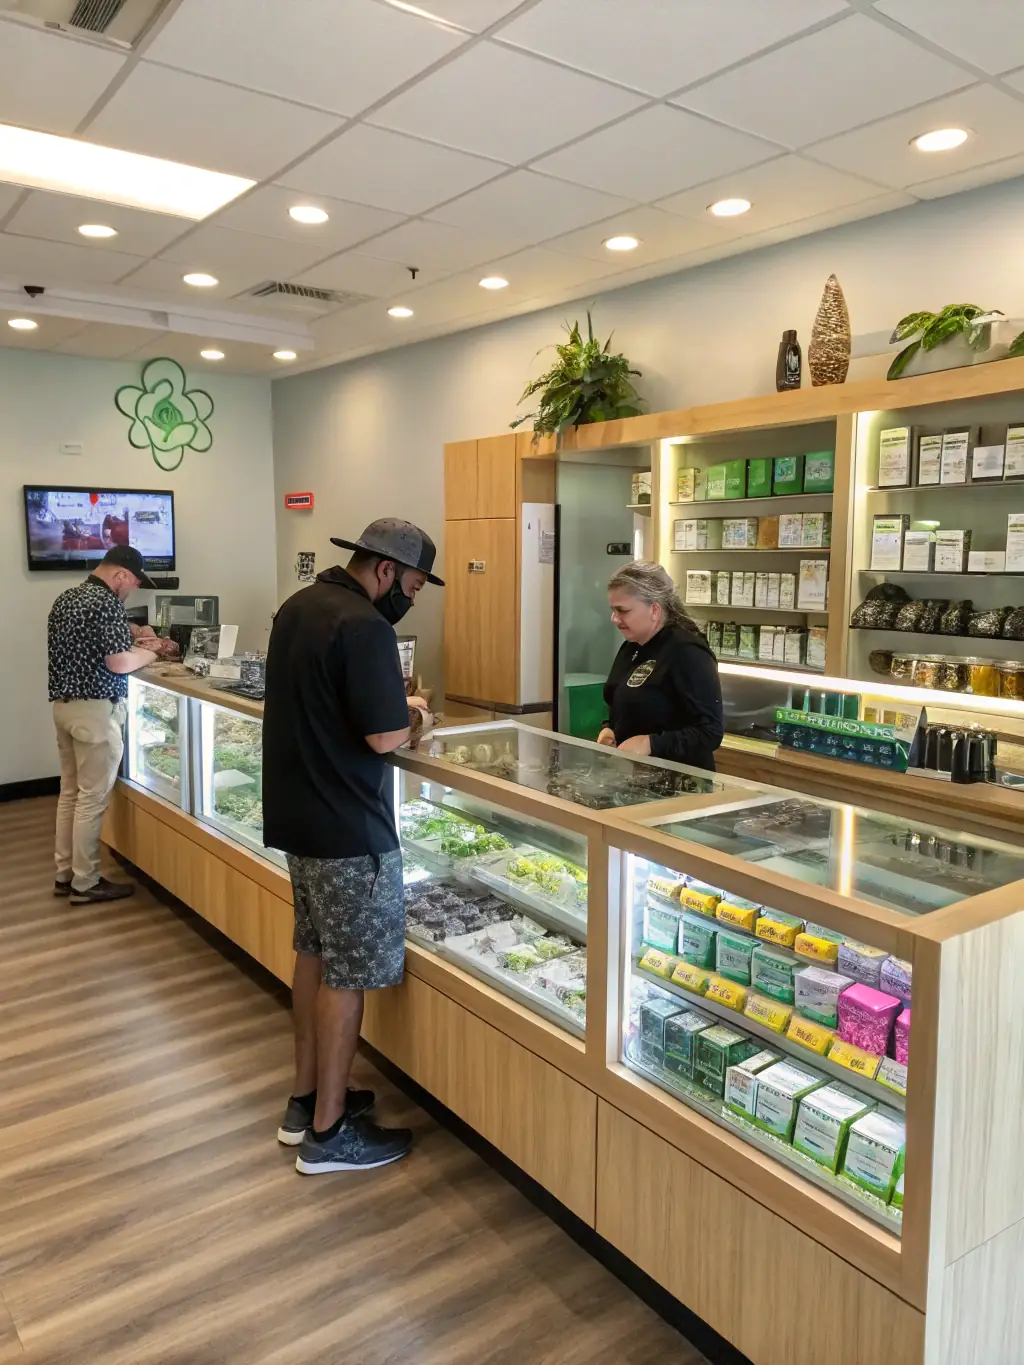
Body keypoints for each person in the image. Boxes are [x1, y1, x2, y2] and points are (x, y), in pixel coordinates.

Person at [262, 518, 443, 1175]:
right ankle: (331, 1133)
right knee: (347, 974)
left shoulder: (298, 606)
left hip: (298, 819)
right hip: (348, 829)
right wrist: (418, 711)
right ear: (387, 570)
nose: (412, 599)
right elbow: (384, 735)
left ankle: (305, 1099)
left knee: (312, 952)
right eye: (415, 585)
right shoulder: (365, 625)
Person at [49, 544, 178, 904]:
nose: (132, 588)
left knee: (70, 794)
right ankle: (86, 883)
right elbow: (119, 663)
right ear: (120, 574)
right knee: (91, 800)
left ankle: (65, 874)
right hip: (95, 712)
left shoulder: (68, 598)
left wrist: (136, 636)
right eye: (134, 581)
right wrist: (153, 650)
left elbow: (97, 647)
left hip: (64, 707)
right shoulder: (104, 602)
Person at [598, 561, 724, 770]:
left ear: (654, 610)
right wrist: (610, 729)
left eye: (622, 610)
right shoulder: (632, 647)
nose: (614, 619)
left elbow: (710, 732)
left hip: (681, 785)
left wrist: (651, 743)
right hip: (635, 779)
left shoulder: (687, 651)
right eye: (613, 610)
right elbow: (623, 704)